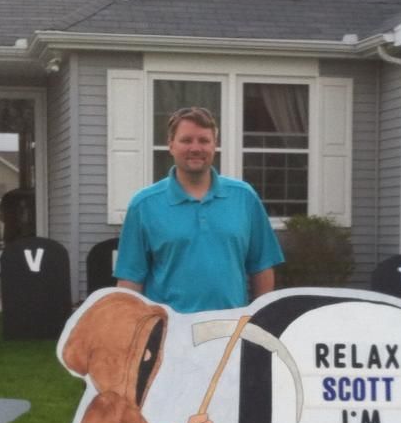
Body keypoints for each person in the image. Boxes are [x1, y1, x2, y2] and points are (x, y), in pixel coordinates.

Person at [114, 106, 284, 313]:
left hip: (229, 330)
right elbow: (130, 281)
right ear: (170, 145)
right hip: (168, 333)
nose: (195, 148)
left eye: (204, 140)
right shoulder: (144, 205)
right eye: (186, 140)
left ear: (215, 145)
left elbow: (262, 266)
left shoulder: (244, 197)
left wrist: (261, 319)